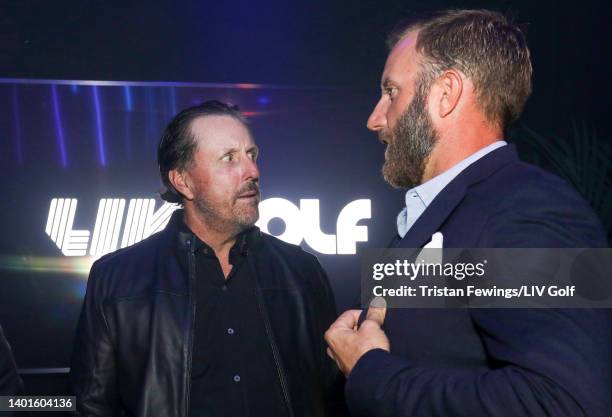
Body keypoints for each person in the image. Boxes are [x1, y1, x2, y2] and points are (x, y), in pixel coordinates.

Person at [325, 9, 610, 417]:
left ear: (446, 93)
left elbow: (564, 404)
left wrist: (371, 372)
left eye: (391, 92)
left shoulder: (529, 208)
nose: (375, 119)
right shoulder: (435, 217)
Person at [70, 100, 346, 417]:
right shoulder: (117, 279)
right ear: (182, 181)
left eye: (252, 155)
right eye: (229, 158)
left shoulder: (302, 273)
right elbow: (90, 406)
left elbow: (333, 396)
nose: (252, 171)